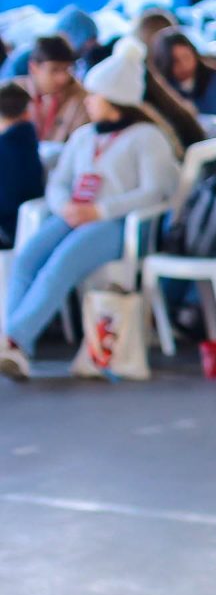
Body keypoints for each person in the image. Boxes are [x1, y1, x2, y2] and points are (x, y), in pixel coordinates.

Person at [0, 45, 181, 378]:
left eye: (94, 95)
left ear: (113, 98)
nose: (86, 100)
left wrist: (101, 210)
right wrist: (64, 206)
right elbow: (58, 182)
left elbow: (156, 190)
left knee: (61, 264)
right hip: (74, 216)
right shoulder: (83, 137)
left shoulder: (146, 137)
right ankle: (14, 344)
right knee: (28, 258)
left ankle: (14, 339)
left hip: (115, 225)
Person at [151, 29, 216, 124]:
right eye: (176, 61)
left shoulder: (215, 79)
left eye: (186, 57)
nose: (183, 64)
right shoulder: (162, 87)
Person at [0, 83, 41, 240]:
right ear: (26, 113)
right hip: (20, 224)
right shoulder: (27, 139)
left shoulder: (6, 146)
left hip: (8, 228)